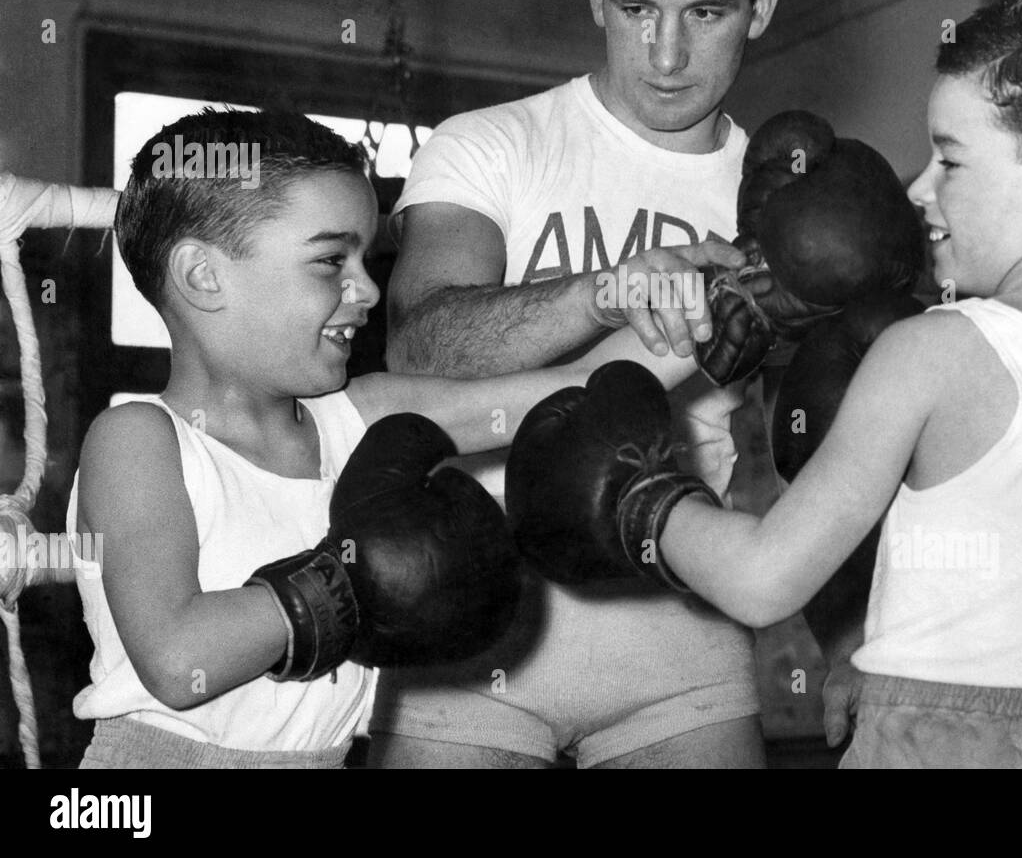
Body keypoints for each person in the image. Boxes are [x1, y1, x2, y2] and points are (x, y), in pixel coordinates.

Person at [506, 0, 1022, 769]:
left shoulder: (933, 349)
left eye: (951, 159)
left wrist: (640, 503)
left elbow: (764, 578)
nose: (919, 189)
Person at [69, 108, 701, 769]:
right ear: (204, 275)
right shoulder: (138, 440)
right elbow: (176, 657)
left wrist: (725, 301)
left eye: (365, 258)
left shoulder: (359, 416)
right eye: (329, 261)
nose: (367, 288)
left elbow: (575, 388)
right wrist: (347, 575)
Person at [372, 0, 781, 769]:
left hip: (683, 643)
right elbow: (420, 343)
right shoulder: (488, 144)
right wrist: (609, 287)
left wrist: (856, 642)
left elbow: (841, 438)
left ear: (760, 6)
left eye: (706, 12)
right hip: (468, 642)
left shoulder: (782, 201)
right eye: (637, 8)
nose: (667, 55)